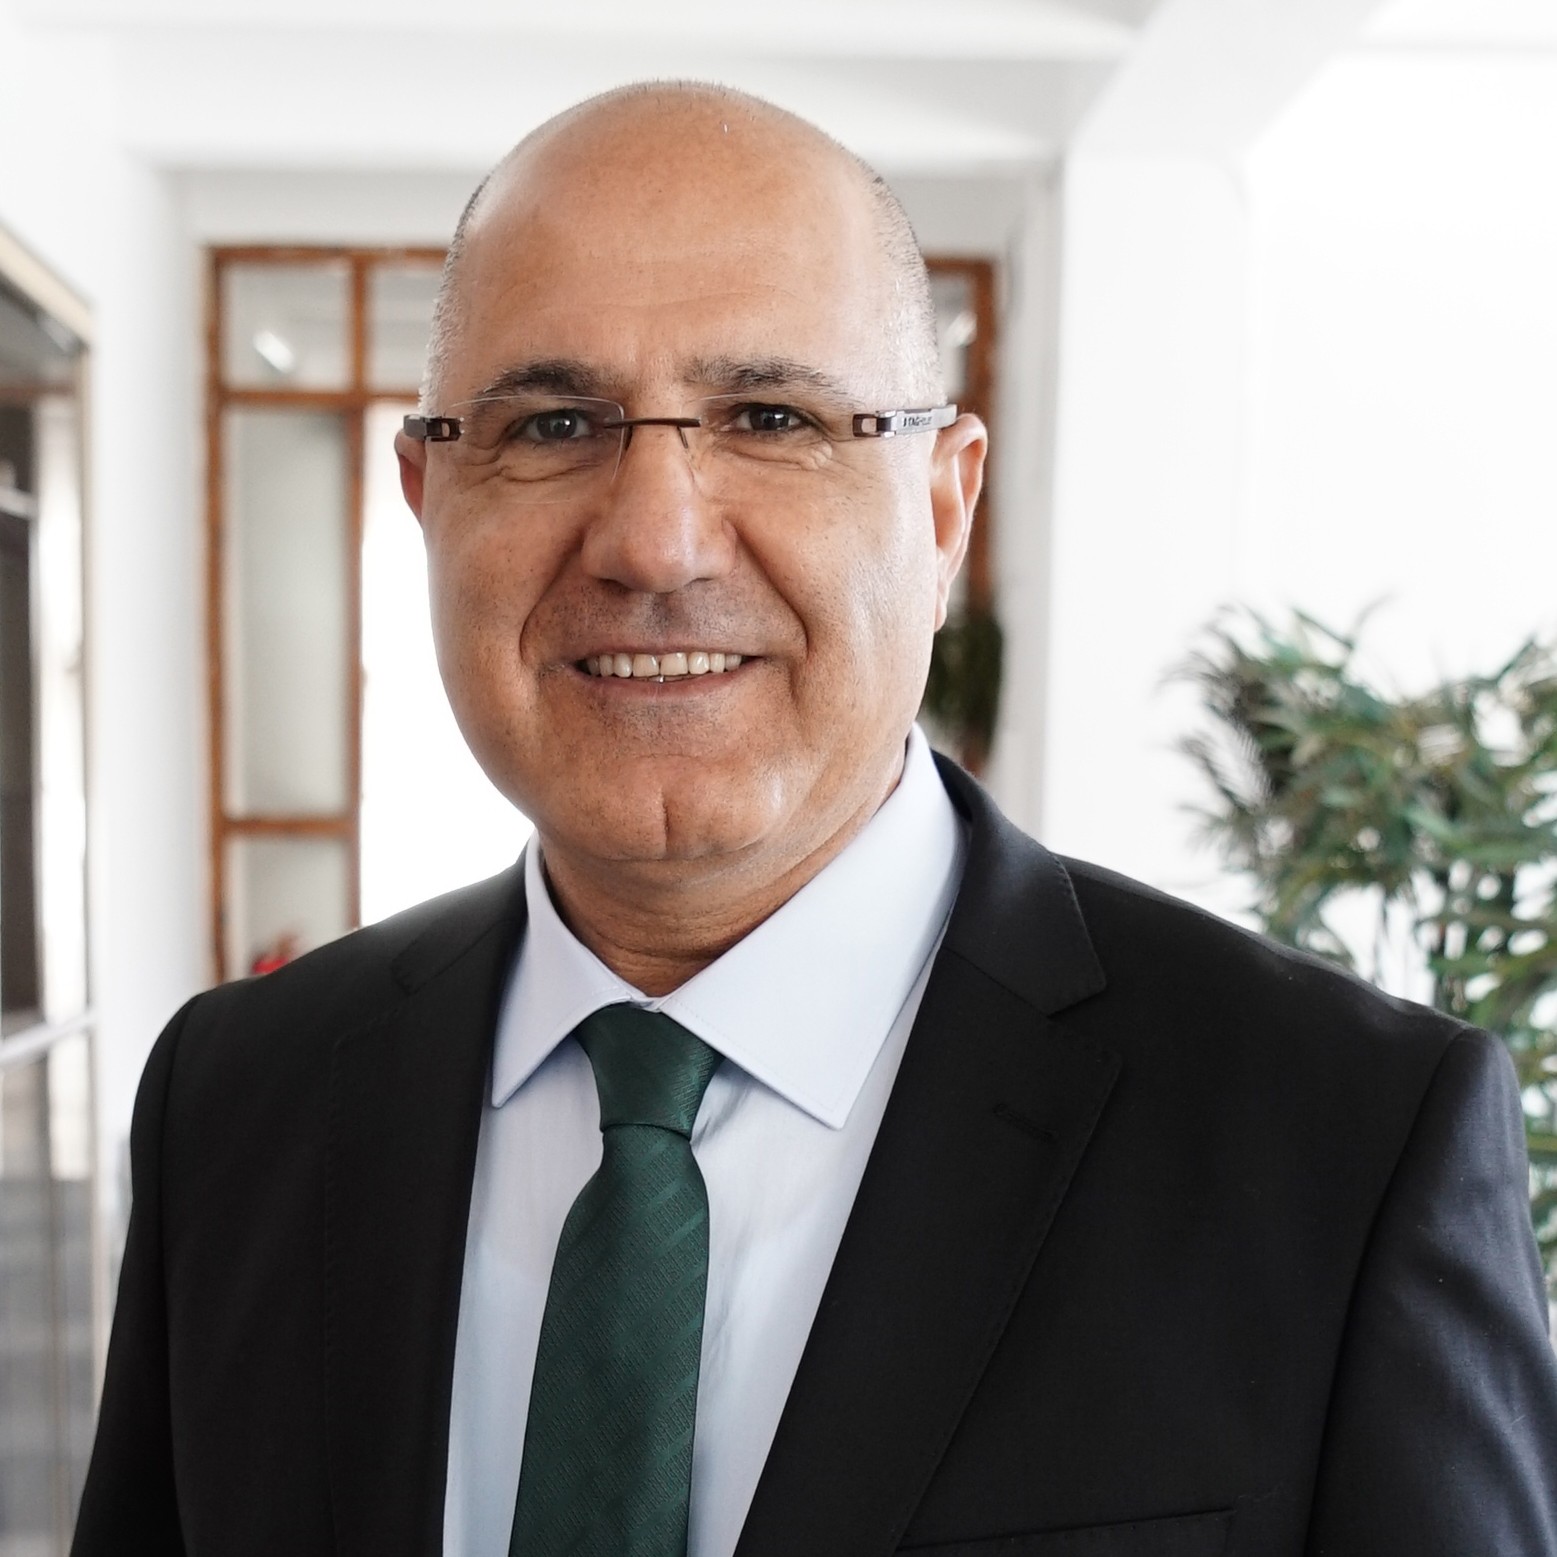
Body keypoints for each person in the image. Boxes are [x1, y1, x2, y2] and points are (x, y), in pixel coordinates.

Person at [73, 82, 1557, 1557]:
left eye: (772, 417)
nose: (654, 541)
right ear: (426, 497)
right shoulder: (239, 1101)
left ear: (943, 506)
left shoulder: (1340, 1146)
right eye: (555, 422)